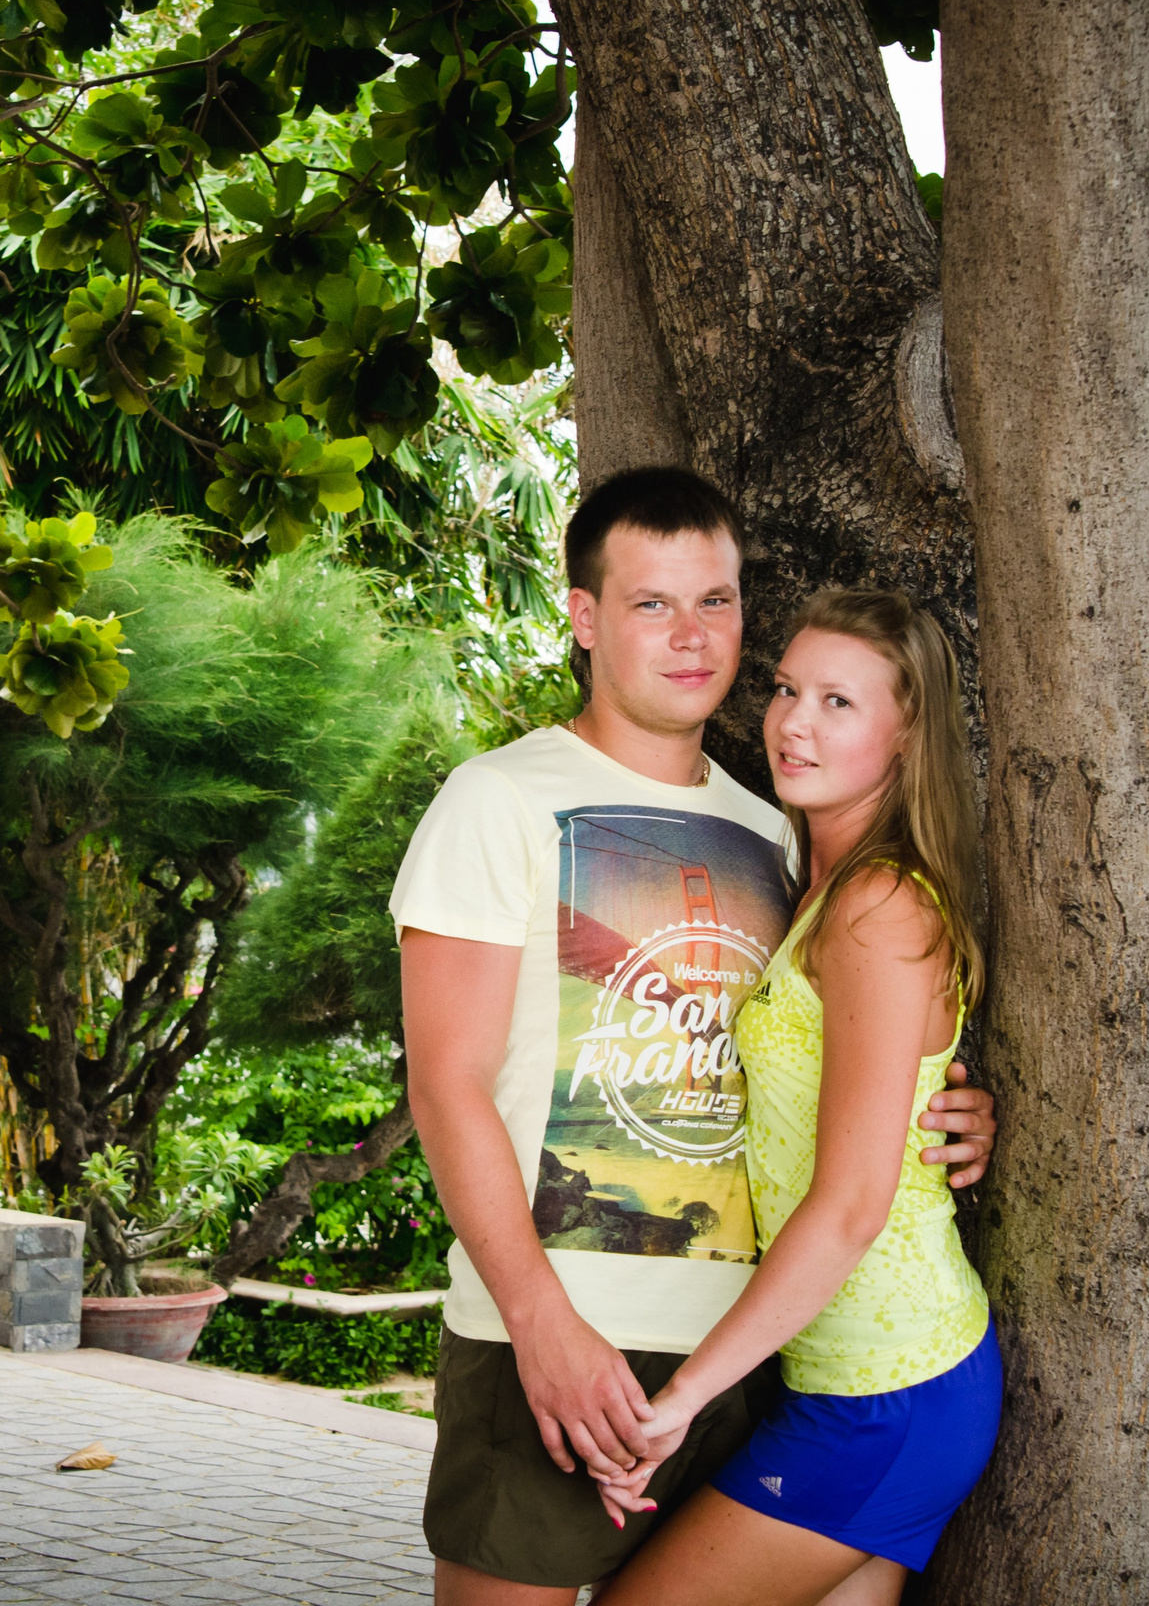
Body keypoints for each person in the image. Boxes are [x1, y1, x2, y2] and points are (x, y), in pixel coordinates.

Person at [394, 469, 997, 1605]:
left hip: (755, 1356)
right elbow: (448, 1090)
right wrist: (541, 1325)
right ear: (584, 618)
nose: (690, 637)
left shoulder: (775, 828)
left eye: (714, 602)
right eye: (651, 604)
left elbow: (838, 1054)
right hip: (557, 1340)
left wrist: (954, 1098)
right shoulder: (497, 800)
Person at [586, 587, 999, 1606]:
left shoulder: (876, 906)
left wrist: (679, 1399)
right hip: (875, 1383)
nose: (792, 721)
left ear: (907, 739)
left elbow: (852, 1204)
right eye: (784, 688)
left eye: (838, 702)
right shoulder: (816, 884)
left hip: (884, 1389)